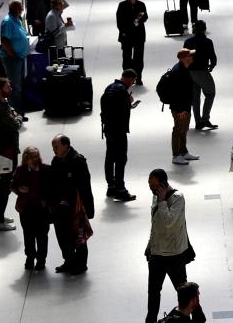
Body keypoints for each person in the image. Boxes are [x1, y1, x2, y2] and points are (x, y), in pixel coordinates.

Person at [131, 169, 206, 323]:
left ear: (163, 183)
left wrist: (163, 201)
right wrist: (150, 246)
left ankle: (198, 317)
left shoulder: (177, 198)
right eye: (149, 183)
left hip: (174, 255)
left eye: (153, 183)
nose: (150, 186)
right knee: (153, 292)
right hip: (157, 254)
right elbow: (156, 225)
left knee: (183, 291)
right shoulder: (156, 197)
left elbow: (169, 223)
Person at [49, 134, 94, 275]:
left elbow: (84, 186)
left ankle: (81, 264)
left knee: (78, 236)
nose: (54, 150)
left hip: (76, 208)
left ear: (65, 145)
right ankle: (68, 261)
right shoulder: (56, 161)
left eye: (56, 146)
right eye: (53, 147)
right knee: (62, 235)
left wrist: (85, 208)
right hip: (60, 207)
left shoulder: (78, 161)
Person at [100, 69, 139, 202]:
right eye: (133, 81)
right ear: (129, 78)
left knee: (110, 157)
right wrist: (129, 102)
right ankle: (120, 189)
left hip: (108, 129)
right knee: (121, 159)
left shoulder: (109, 87)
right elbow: (121, 110)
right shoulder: (122, 91)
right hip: (119, 130)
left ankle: (111, 186)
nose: (132, 84)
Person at [11, 145, 51, 271]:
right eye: (32, 157)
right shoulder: (20, 170)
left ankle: (41, 259)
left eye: (37, 156)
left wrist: (30, 190)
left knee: (42, 235)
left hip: (41, 208)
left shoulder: (45, 170)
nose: (35, 159)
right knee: (28, 234)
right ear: (26, 158)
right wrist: (19, 189)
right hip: (26, 208)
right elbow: (13, 185)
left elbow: (49, 190)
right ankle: (30, 257)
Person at [0, 76, 20, 231]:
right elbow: (15, 123)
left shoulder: (3, 103)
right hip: (4, 151)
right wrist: (18, 118)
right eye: (7, 87)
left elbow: (15, 116)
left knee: (5, 184)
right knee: (4, 184)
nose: (10, 89)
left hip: (7, 149)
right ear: (0, 90)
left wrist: (16, 117)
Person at [184, 20, 218, 131]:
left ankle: (198, 121)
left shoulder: (188, 42)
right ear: (205, 29)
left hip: (190, 72)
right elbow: (212, 57)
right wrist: (212, 66)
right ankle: (205, 119)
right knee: (210, 93)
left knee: (195, 98)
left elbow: (183, 57)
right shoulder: (208, 42)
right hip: (202, 71)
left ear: (194, 29)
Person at [0, 0, 29, 116]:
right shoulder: (8, 22)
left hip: (19, 57)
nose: (22, 9)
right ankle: (14, 113)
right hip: (12, 59)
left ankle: (18, 110)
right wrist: (13, 55)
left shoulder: (17, 19)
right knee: (14, 87)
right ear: (13, 8)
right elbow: (4, 41)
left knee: (18, 86)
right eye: (20, 7)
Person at [167, 49, 198, 166]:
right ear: (183, 58)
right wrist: (180, 110)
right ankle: (176, 155)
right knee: (178, 130)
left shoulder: (184, 69)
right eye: (190, 56)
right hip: (180, 108)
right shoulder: (178, 71)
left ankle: (183, 152)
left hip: (185, 106)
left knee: (184, 130)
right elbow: (176, 93)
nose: (192, 58)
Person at [116, 0, 148, 84]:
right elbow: (119, 20)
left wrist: (139, 20)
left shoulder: (141, 4)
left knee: (138, 58)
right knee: (126, 58)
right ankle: (127, 78)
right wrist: (123, 31)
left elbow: (145, 17)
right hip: (126, 35)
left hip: (139, 35)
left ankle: (138, 78)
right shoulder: (122, 5)